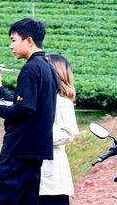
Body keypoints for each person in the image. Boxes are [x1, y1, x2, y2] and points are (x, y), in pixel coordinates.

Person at [0, 18, 58, 205]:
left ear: (29, 40)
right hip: (36, 150)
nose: (11, 46)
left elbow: (24, 110)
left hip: (19, 149)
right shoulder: (48, 68)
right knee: (27, 200)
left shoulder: (30, 69)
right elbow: (25, 104)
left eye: (13, 40)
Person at [39, 53, 79, 205]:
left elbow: (68, 134)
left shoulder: (62, 102)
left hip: (53, 172)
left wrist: (39, 127)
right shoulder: (46, 99)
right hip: (41, 171)